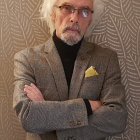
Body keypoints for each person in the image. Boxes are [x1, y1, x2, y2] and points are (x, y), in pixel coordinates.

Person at [13, 0, 127, 140]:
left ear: (90, 19)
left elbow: (117, 119)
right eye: (67, 8)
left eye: (84, 11)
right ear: (52, 13)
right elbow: (28, 117)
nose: (74, 18)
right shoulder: (26, 59)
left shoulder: (107, 59)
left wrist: (46, 112)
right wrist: (87, 106)